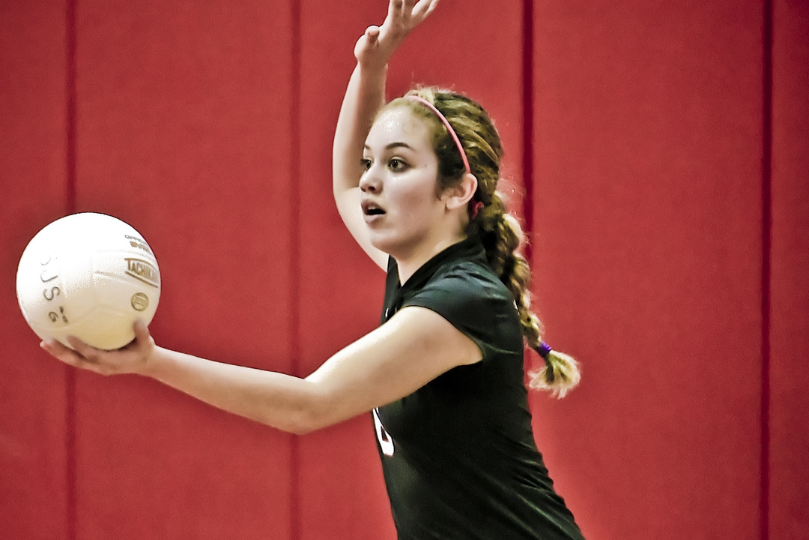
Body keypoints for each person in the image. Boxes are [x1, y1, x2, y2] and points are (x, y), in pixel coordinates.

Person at [41, 0, 585, 538]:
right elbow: (348, 184)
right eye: (372, 159)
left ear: (456, 190)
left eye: (397, 164)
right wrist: (372, 65)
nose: (371, 178)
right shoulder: (418, 270)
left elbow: (309, 405)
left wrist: (153, 362)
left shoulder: (462, 301)